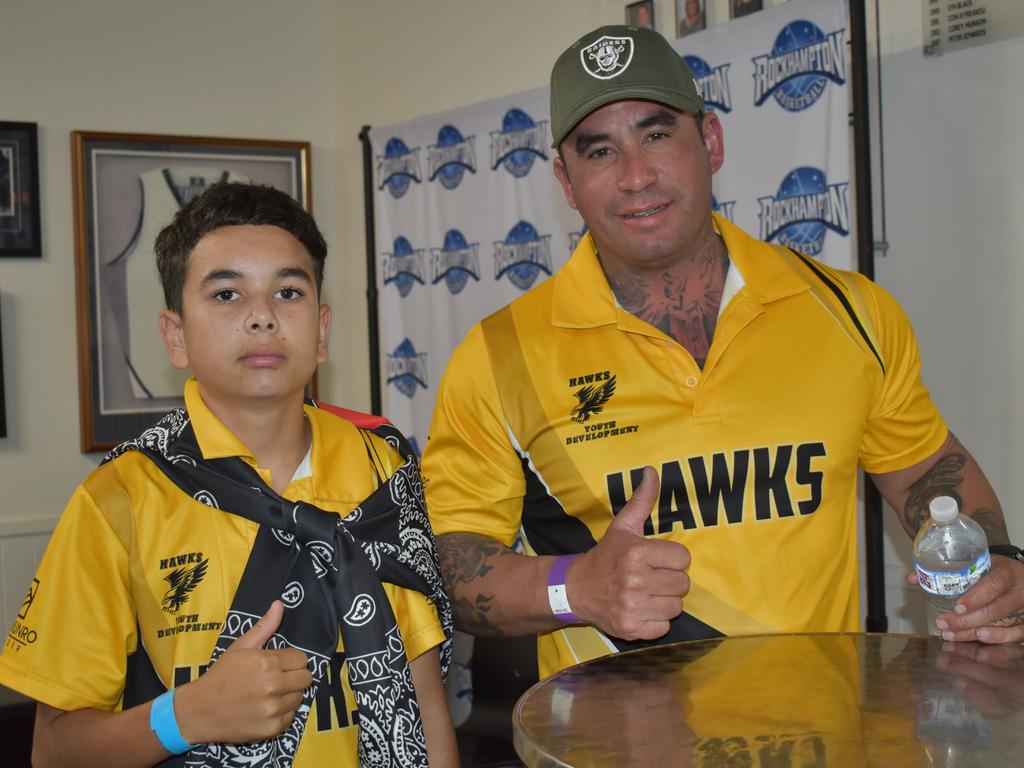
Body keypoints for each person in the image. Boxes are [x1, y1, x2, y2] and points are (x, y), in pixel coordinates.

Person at [420, 24, 1024, 680]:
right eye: (600, 153)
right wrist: (577, 588)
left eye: (656, 135)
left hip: (828, 735)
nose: (636, 176)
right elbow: (450, 565)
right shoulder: (497, 355)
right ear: (566, 182)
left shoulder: (848, 311)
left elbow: (924, 471)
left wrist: (996, 562)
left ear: (710, 140)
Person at [0, 182, 457, 767]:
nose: (262, 316)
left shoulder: (381, 467)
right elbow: (55, 751)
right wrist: (189, 716)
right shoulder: (119, 499)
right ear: (175, 335)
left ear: (320, 331)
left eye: (287, 292)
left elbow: (423, 696)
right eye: (226, 295)